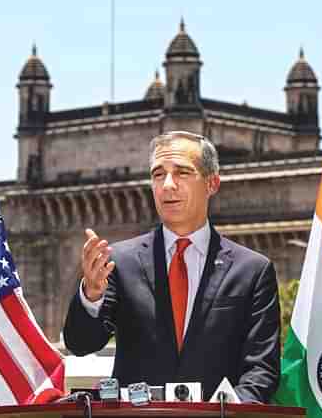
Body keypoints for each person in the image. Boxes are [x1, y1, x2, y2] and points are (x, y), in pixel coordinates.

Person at [63, 131, 280, 403]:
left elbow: (262, 370)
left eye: (182, 173)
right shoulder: (119, 262)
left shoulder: (252, 271)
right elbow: (81, 345)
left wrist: (226, 413)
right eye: (157, 174)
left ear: (212, 183)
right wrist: (91, 295)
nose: (167, 185)